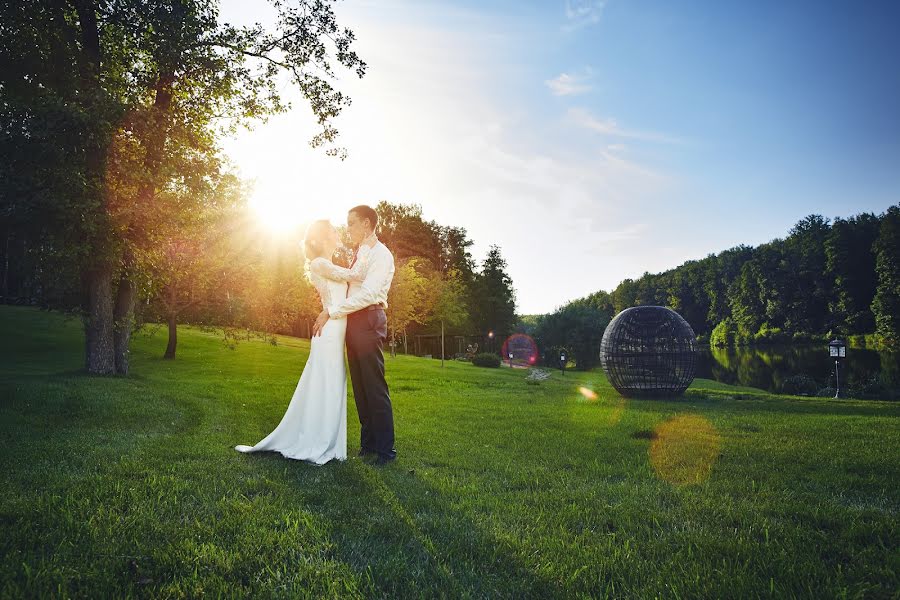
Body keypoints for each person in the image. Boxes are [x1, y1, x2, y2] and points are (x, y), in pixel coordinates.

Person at [234, 220, 374, 464]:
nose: (337, 231)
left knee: (332, 385)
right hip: (329, 333)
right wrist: (366, 246)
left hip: (336, 329)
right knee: (325, 384)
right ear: (321, 238)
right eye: (331, 229)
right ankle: (316, 441)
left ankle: (329, 443)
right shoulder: (319, 264)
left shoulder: (328, 264)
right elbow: (357, 275)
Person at [313, 205, 396, 466]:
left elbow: (369, 294)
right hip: (354, 322)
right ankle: (368, 446)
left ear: (367, 224)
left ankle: (385, 452)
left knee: (374, 386)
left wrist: (333, 311)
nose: (347, 228)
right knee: (360, 388)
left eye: (351, 223)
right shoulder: (361, 252)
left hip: (369, 318)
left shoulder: (381, 254)